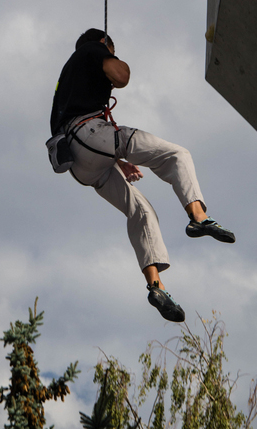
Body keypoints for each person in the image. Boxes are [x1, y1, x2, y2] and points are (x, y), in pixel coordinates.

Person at [50, 28, 235, 322]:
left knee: (141, 211)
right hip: (89, 133)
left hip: (80, 162)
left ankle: (156, 287)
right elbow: (121, 76)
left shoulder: (68, 78)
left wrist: (117, 159)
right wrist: (110, 56)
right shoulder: (92, 51)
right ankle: (199, 219)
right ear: (102, 43)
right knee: (177, 154)